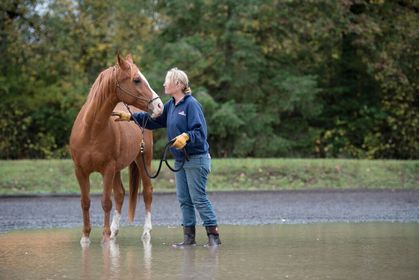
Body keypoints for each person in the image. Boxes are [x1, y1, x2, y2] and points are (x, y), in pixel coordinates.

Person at [113, 67, 221, 247]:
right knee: (184, 200)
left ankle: (214, 237)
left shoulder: (191, 104)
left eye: (167, 81)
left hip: (196, 159)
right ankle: (189, 239)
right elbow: (154, 121)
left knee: (198, 198)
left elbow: (200, 132)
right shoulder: (171, 105)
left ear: (178, 84)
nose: (164, 84)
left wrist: (186, 137)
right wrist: (131, 117)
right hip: (180, 161)